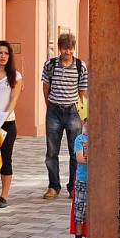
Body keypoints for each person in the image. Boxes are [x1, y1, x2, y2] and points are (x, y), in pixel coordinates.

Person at [41, 32, 89, 199]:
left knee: (75, 151)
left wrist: (84, 115)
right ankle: (54, 186)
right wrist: (49, 107)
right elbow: (45, 87)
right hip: (54, 111)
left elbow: (83, 92)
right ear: (59, 49)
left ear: (74, 48)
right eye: (64, 49)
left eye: (70, 49)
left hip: (73, 112)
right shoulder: (50, 64)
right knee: (51, 152)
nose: (67, 52)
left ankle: (73, 187)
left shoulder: (80, 66)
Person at [0, 40, 23, 208]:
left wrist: (1, 117)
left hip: (7, 123)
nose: (3, 56)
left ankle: (4, 196)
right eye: (0, 53)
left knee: (5, 159)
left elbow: (14, 99)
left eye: (6, 53)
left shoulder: (15, 75)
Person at [70, 118, 88, 238]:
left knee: (94, 213)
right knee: (79, 211)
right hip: (82, 180)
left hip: (97, 181)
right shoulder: (80, 139)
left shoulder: (101, 138)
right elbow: (80, 159)